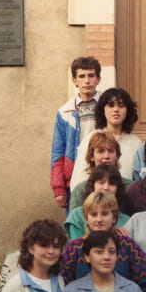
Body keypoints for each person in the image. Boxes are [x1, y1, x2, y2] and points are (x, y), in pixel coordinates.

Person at [60, 190, 146, 292]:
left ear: (114, 217)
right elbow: (63, 286)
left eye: (105, 214)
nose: (99, 220)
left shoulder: (127, 245)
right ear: (86, 218)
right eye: (93, 214)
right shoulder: (75, 249)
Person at [50, 56, 102, 210]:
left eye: (91, 76)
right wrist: (58, 188)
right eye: (82, 76)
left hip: (103, 173)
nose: (87, 81)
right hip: (75, 175)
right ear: (74, 80)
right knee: (77, 218)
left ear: (98, 79)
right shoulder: (65, 112)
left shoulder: (108, 106)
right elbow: (58, 151)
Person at [70, 88, 141, 187]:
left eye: (121, 105)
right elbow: (78, 180)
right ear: (103, 110)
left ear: (128, 110)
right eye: (111, 105)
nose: (116, 110)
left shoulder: (135, 142)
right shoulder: (91, 138)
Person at [68, 132, 134, 210]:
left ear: (117, 155)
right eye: (101, 151)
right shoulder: (80, 191)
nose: (106, 156)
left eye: (111, 151)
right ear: (92, 156)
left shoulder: (131, 188)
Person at [64, 164, 130, 240]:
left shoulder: (126, 220)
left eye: (112, 184)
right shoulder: (77, 216)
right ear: (93, 186)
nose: (106, 188)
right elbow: (76, 245)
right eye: (101, 182)